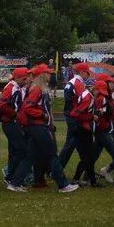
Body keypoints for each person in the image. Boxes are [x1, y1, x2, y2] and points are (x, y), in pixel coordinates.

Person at [11, 64, 78, 193]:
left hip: (36, 126)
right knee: (52, 154)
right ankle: (63, 185)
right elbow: (28, 108)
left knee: (30, 156)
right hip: (38, 126)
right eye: (48, 73)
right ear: (42, 75)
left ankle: (15, 183)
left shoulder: (38, 88)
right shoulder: (37, 90)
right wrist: (43, 115)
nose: (50, 75)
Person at [0, 67, 30, 188]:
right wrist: (15, 114)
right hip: (11, 123)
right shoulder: (11, 88)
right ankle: (13, 178)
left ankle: (11, 176)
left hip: (12, 122)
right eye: (24, 78)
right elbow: (2, 104)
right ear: (17, 78)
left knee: (15, 152)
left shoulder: (17, 87)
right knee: (22, 151)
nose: (26, 81)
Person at [59, 62, 91, 167]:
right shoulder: (78, 83)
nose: (89, 75)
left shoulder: (73, 81)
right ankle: (57, 168)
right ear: (82, 72)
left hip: (71, 115)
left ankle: (86, 169)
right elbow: (82, 101)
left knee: (79, 145)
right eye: (87, 73)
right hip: (74, 117)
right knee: (71, 144)